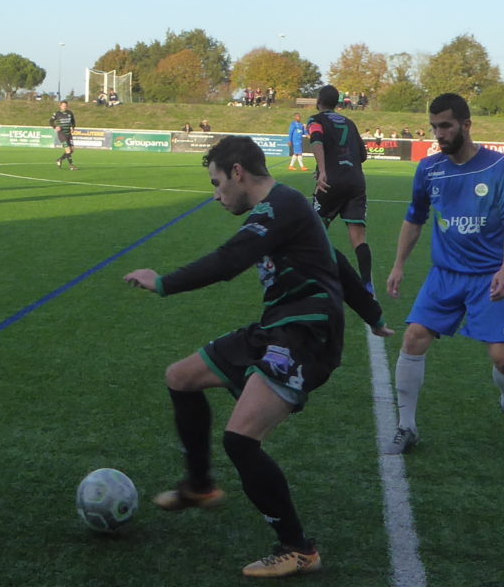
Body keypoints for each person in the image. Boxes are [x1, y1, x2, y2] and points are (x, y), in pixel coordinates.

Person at [123, 135, 393, 578]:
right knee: (181, 377)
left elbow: (231, 260)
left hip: (307, 333)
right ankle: (199, 486)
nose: (216, 195)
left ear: (237, 172)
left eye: (216, 183)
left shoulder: (279, 207)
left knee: (241, 438)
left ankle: (298, 548)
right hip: (276, 327)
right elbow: (336, 259)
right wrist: (372, 313)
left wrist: (165, 282)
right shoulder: (285, 207)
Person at [384, 92, 504, 455]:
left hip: (488, 276)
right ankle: (407, 426)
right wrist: (399, 264)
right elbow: (414, 218)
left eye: (446, 125)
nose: (439, 133)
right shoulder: (429, 169)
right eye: (434, 127)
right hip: (445, 275)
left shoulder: (498, 167)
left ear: (466, 125)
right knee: (414, 337)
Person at [308, 85, 372, 287]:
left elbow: (316, 140)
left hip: (331, 181)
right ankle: (366, 283)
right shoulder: (350, 122)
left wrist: (323, 170)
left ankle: (315, 277)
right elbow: (363, 156)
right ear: (337, 103)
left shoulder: (316, 120)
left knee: (313, 230)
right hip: (355, 182)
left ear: (319, 101)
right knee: (359, 237)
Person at [50, 100, 77, 170]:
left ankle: (59, 159)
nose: (64, 107)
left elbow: (73, 121)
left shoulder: (70, 113)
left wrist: (72, 127)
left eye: (65, 106)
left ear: (67, 106)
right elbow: (51, 121)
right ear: (60, 106)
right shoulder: (57, 113)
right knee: (68, 150)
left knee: (72, 150)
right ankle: (71, 165)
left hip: (69, 134)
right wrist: (55, 127)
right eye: (63, 106)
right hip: (62, 134)